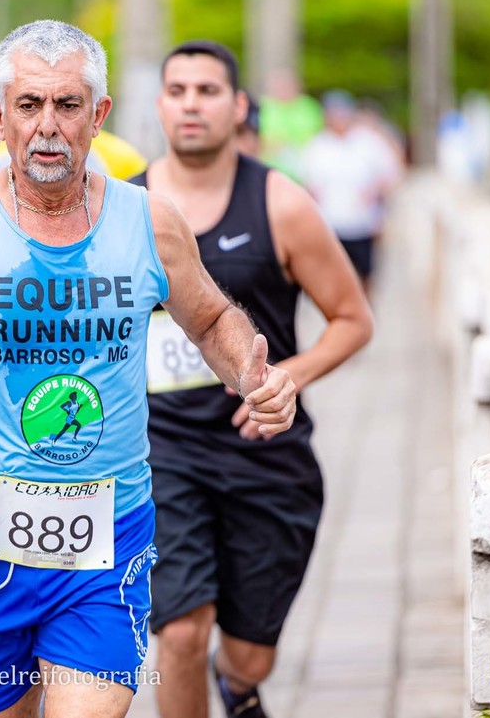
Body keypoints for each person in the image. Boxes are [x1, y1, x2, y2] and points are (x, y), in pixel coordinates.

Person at [0, 21, 300, 718]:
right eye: (29, 104)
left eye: (68, 104)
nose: (48, 125)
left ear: (97, 115)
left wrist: (255, 376)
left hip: (105, 539)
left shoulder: (149, 222)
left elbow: (210, 318)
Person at [130, 41, 373, 718]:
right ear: (159, 106)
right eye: (177, 90)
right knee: (181, 633)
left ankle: (237, 685)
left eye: (207, 91)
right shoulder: (122, 207)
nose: (191, 104)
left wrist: (287, 377)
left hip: (265, 455)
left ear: (238, 107)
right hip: (159, 453)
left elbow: (354, 319)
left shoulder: (280, 204)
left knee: (248, 656)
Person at [301, 90, 400, 293]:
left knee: (365, 274)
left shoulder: (369, 142)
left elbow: (391, 173)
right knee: (333, 275)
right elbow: (309, 184)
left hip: (363, 223)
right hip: (331, 224)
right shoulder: (317, 145)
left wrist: (374, 193)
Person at [257, 68, 322, 183]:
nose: (284, 89)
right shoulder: (263, 108)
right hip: (271, 170)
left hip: (306, 171)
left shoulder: (310, 107)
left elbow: (319, 138)